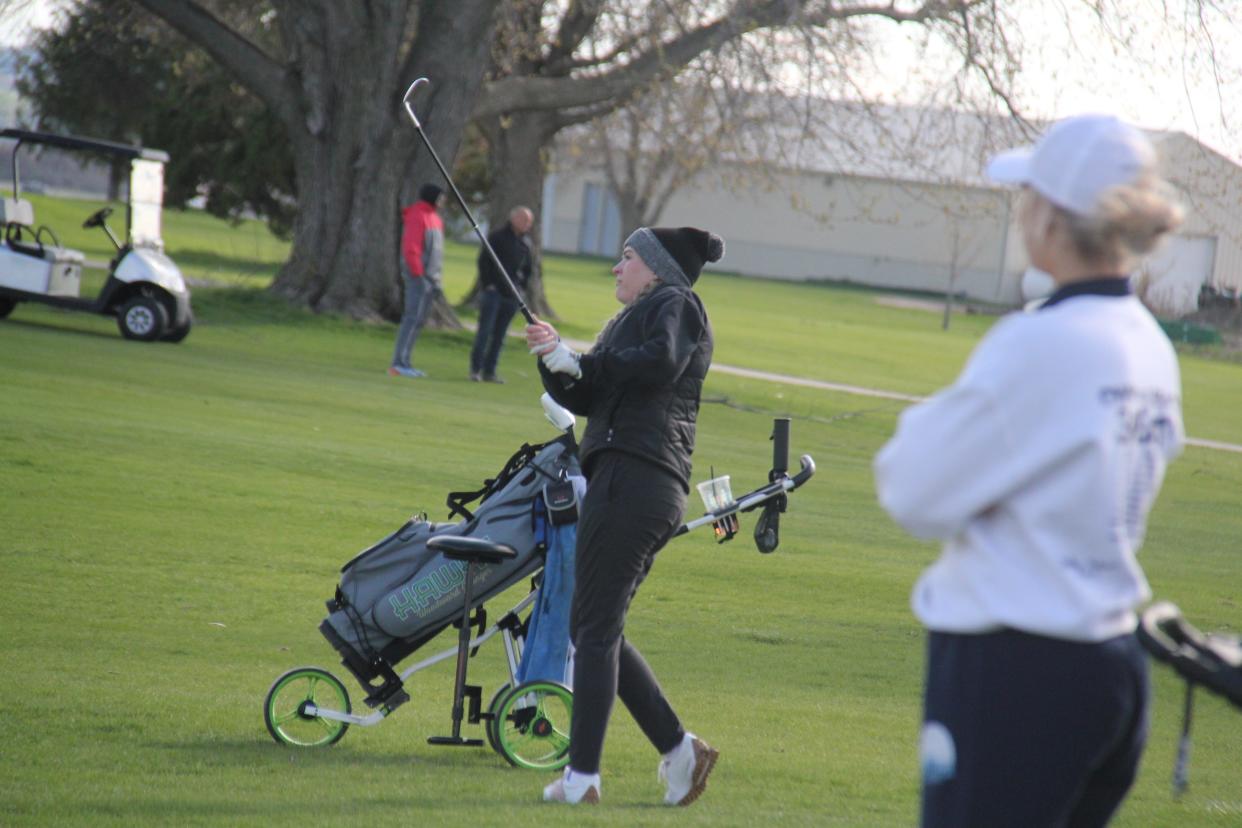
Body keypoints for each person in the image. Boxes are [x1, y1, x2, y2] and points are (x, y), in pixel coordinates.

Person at [873, 114, 1185, 828]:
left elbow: (912, 488)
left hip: (1017, 668)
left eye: (1028, 197)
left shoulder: (1042, 342)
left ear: (1052, 217)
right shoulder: (1146, 343)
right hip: (1108, 661)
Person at [525, 226, 725, 806]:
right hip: (624, 478)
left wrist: (583, 359)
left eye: (628, 257)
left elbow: (658, 363)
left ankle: (582, 778)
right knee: (591, 627)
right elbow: (585, 397)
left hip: (635, 479)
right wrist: (554, 359)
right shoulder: (632, 320)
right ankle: (680, 749)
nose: (617, 267)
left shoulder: (676, 303)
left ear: (656, 268)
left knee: (592, 628)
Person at [469, 206, 534, 383]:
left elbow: (528, 270)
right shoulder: (497, 237)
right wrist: (488, 284)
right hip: (493, 293)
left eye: (529, 222)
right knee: (485, 332)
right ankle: (475, 369)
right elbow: (484, 261)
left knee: (500, 336)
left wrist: (522, 288)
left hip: (512, 296)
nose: (527, 224)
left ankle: (490, 371)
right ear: (514, 218)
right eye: (524, 220)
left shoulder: (525, 244)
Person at [389, 183, 445, 379]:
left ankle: (406, 361)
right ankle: (398, 362)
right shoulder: (417, 215)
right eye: (440, 198)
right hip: (419, 277)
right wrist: (418, 274)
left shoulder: (436, 219)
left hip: (432, 279)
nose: (442, 201)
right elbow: (411, 249)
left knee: (419, 321)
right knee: (411, 319)